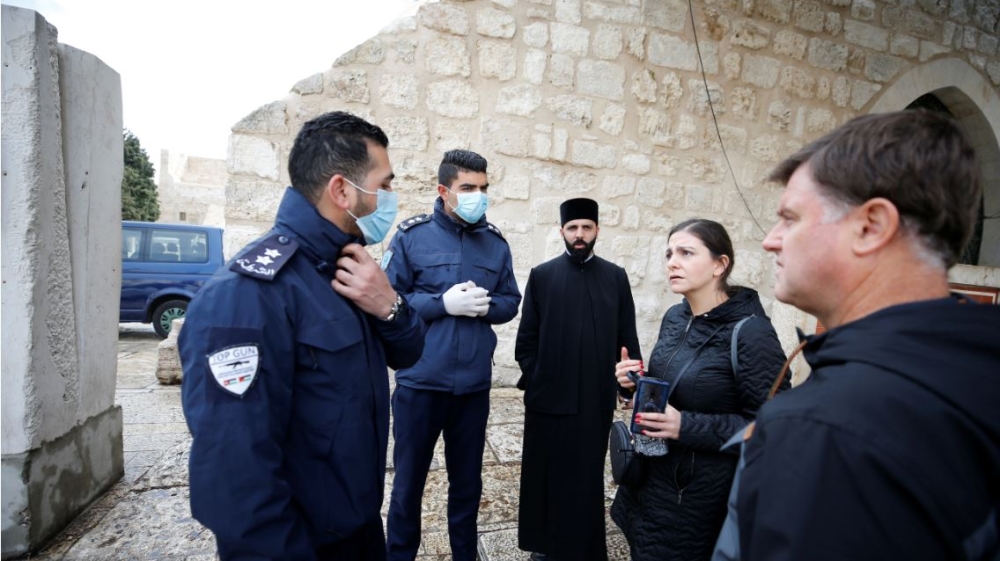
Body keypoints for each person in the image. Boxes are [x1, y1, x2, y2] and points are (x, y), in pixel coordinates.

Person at [732, 109, 1000, 560]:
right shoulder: (978, 364)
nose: (770, 240)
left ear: (871, 227)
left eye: (790, 218)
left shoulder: (825, 433)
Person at [179, 111, 426, 560]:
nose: (390, 197)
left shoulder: (351, 268)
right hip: (305, 545)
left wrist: (389, 304)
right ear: (341, 190)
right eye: (384, 184)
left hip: (360, 529)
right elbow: (235, 479)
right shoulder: (247, 295)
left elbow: (409, 352)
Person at [609, 218, 789, 561]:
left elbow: (771, 427)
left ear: (720, 264)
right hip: (648, 482)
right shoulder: (675, 318)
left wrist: (684, 426)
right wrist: (634, 384)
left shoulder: (752, 334)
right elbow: (673, 389)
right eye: (669, 253)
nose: (672, 262)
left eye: (686, 253)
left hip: (696, 499)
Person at [384, 149, 521, 561]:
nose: (478, 195)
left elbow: (510, 300)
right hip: (420, 384)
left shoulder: (495, 243)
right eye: (468, 188)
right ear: (444, 191)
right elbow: (389, 300)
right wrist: (440, 303)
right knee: (408, 484)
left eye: (483, 188)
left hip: (472, 388)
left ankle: (466, 556)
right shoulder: (412, 237)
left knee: (467, 485)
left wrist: (487, 307)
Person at [515, 198, 642, 561]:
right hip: (548, 399)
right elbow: (526, 343)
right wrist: (540, 379)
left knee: (585, 477)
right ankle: (545, 545)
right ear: (562, 232)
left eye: (586, 227)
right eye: (573, 228)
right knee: (546, 474)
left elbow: (626, 338)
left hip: (593, 399)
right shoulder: (542, 275)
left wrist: (626, 383)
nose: (579, 234)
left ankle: (585, 549)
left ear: (597, 230)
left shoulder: (615, 277)